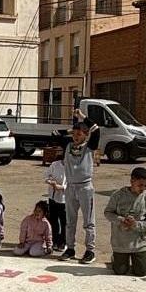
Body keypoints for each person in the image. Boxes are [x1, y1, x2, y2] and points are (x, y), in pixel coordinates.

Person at [59, 109, 101, 264]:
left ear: (85, 135)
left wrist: (82, 118)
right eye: (74, 134)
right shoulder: (68, 145)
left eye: (79, 134)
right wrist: (73, 129)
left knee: (88, 221)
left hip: (85, 187)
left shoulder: (89, 147)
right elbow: (56, 134)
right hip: (70, 186)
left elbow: (96, 129)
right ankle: (70, 248)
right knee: (70, 220)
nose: (75, 137)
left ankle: (90, 250)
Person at [104, 167, 146, 277]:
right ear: (132, 181)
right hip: (121, 242)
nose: (142, 188)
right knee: (120, 271)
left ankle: (137, 261)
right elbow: (108, 213)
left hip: (139, 243)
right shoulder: (118, 195)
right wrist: (121, 220)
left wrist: (136, 224)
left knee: (141, 272)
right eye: (140, 185)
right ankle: (116, 259)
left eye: (145, 185)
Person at [43, 159, 66, 250]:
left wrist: (62, 187)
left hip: (65, 198)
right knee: (53, 219)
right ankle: (55, 240)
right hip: (52, 196)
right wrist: (50, 182)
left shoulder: (73, 166)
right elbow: (46, 176)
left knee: (65, 222)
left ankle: (64, 241)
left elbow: (74, 183)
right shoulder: (55, 164)